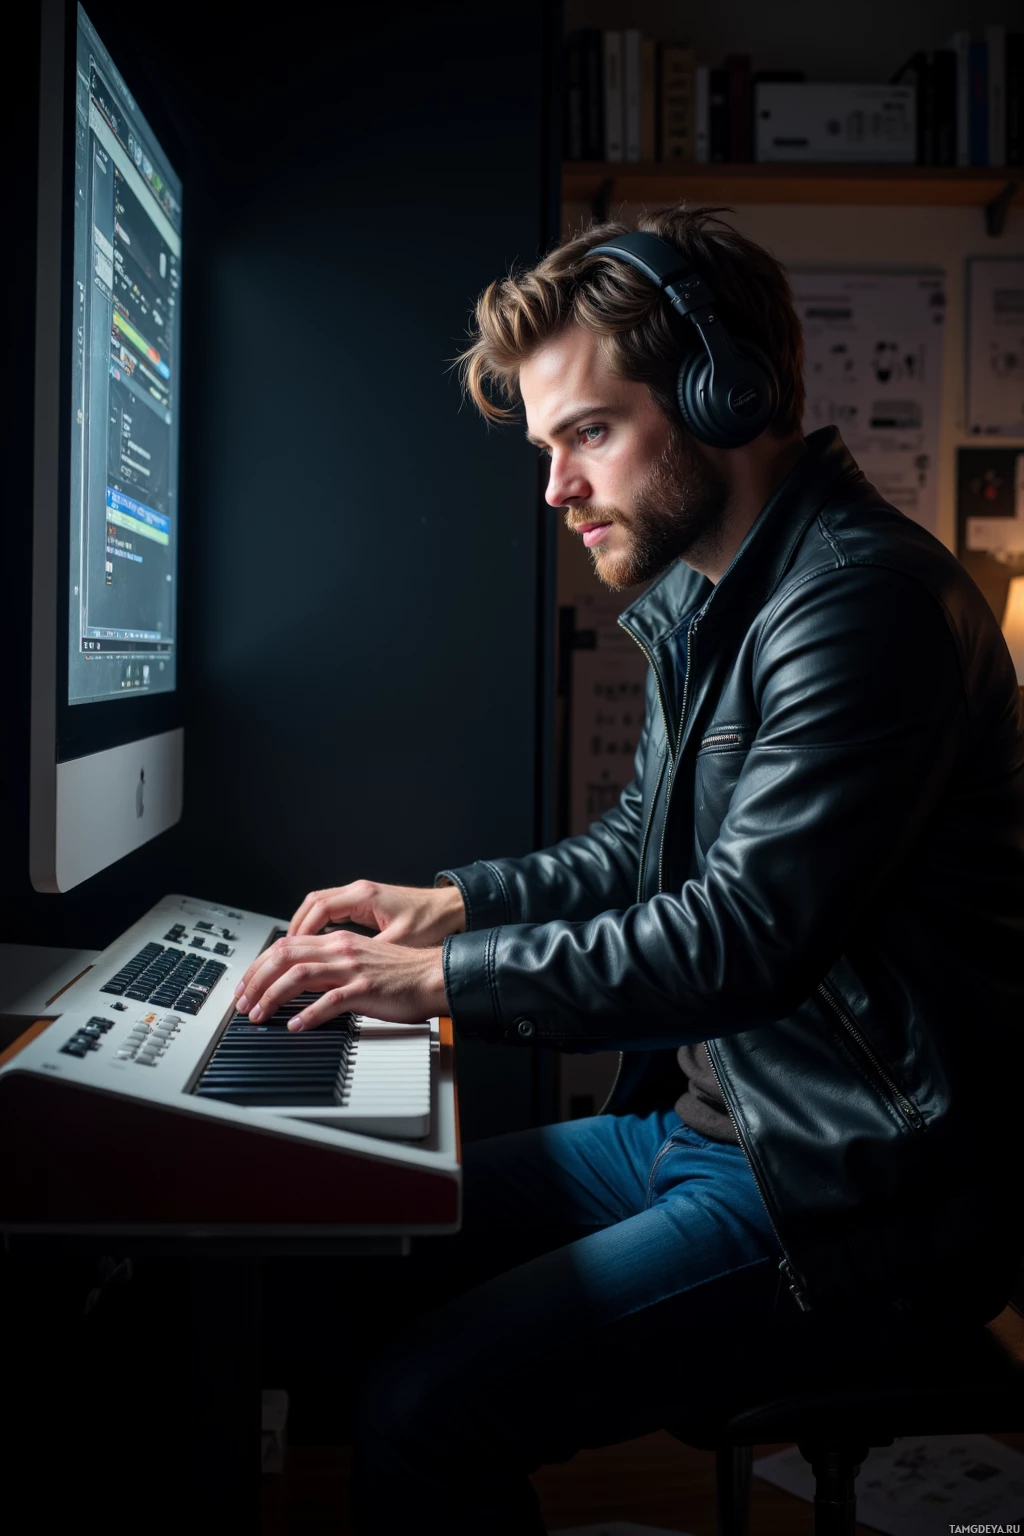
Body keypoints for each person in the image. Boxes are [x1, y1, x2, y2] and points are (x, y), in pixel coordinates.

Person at [237, 207, 1024, 1534]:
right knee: (337, 1265)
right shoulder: (714, 598)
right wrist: (453, 902)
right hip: (712, 1131)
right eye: (547, 446)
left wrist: (434, 982)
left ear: (730, 393)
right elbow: (637, 853)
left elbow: (742, 936)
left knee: (425, 1413)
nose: (555, 487)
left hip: (856, 1194)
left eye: (587, 433)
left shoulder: (861, 605)